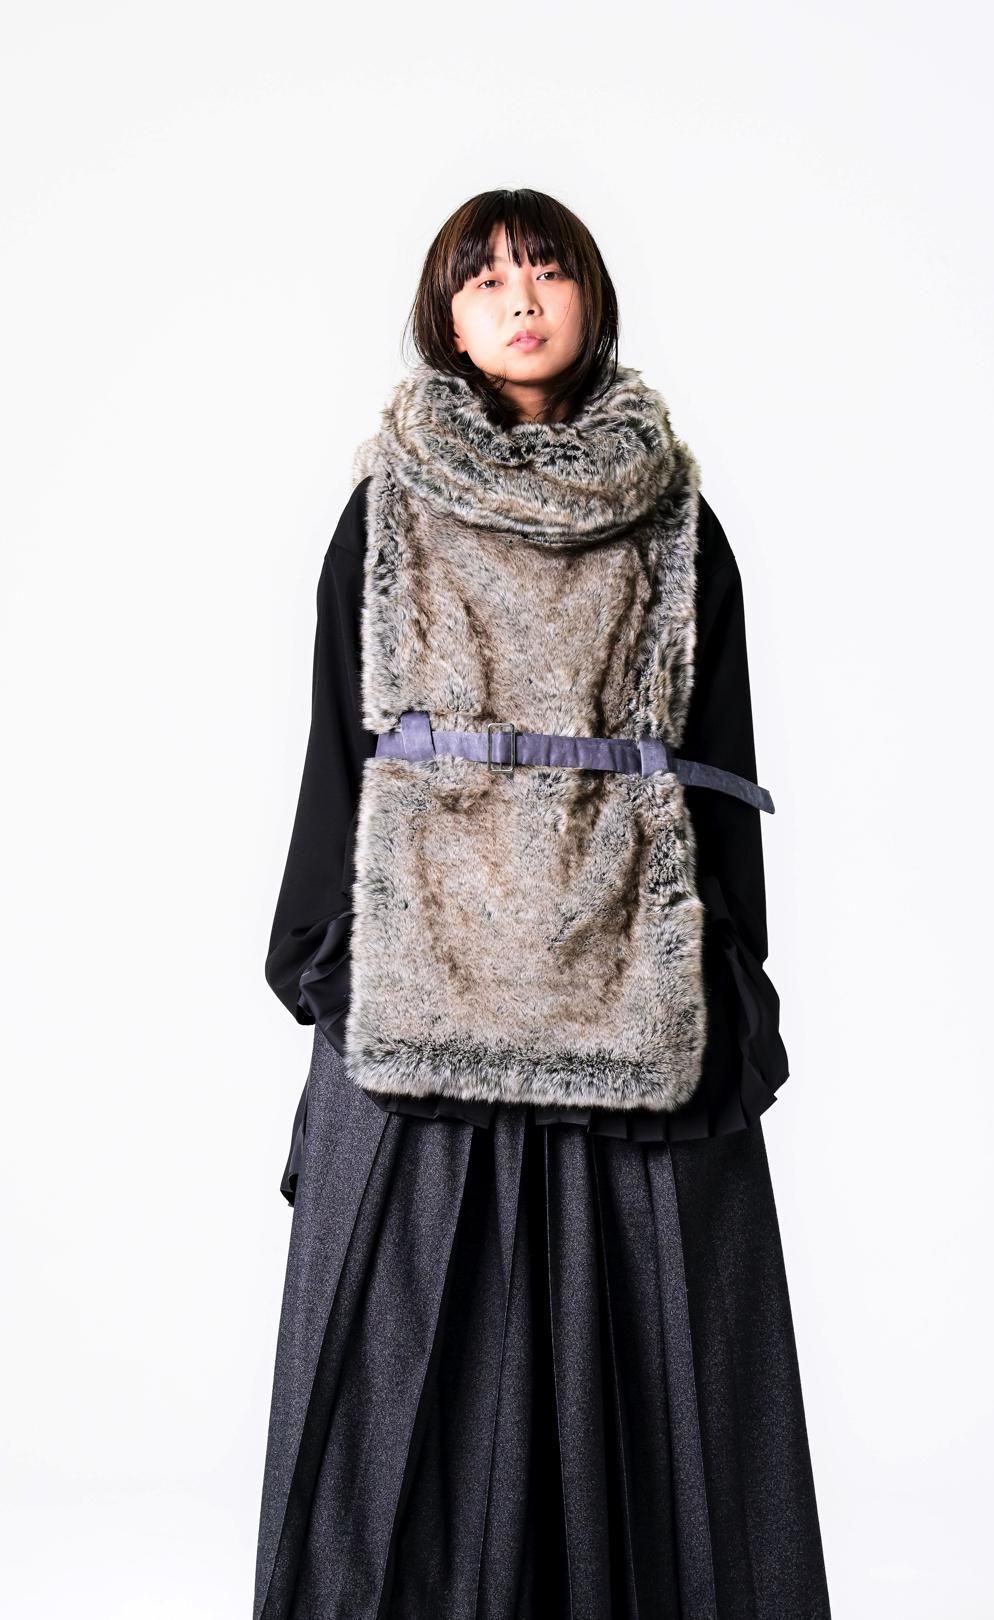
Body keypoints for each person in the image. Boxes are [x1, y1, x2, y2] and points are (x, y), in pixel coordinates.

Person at [253, 188, 832, 1620]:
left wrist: (732, 970)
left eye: (548, 269)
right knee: (398, 1392)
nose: (521, 299)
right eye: (485, 279)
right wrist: (327, 953)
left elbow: (714, 754)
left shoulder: (675, 520)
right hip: (425, 966)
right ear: (445, 321)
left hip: (626, 969)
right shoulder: (388, 512)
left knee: (662, 1386)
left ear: (592, 295)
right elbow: (342, 742)